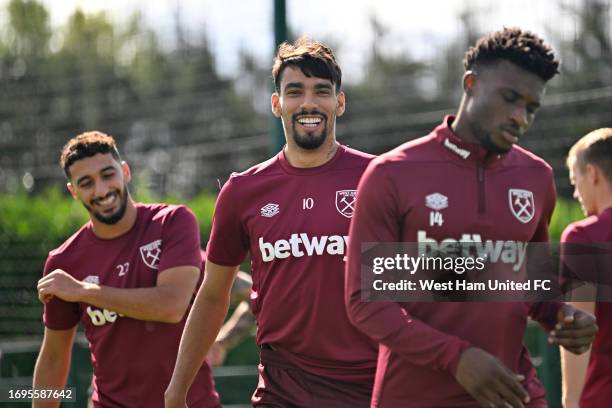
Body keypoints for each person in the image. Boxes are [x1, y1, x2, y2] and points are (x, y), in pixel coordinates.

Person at [345, 27, 597, 408]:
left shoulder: (536, 176)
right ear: (471, 84)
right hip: (414, 397)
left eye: (531, 107)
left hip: (513, 394)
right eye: (510, 98)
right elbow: (365, 302)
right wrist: (457, 357)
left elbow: (532, 285)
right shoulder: (392, 173)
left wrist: (562, 316)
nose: (520, 117)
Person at [165, 37, 378, 408]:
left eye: (321, 91)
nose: (308, 103)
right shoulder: (243, 191)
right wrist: (176, 389)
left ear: (339, 103)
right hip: (282, 393)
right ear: (276, 103)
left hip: (369, 389)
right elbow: (213, 295)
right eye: (295, 91)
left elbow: (416, 288)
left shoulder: (379, 179)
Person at [33, 131, 225, 408]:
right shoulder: (64, 263)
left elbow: (171, 306)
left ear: (125, 171)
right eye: (86, 183)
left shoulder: (172, 222)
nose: (101, 190)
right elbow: (53, 358)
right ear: (73, 191)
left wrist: (84, 291)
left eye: (108, 175)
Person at [560, 128, 612, 408]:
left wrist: (571, 402)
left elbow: (580, 329)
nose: (576, 193)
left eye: (574, 180)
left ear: (591, 173)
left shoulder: (584, 237)